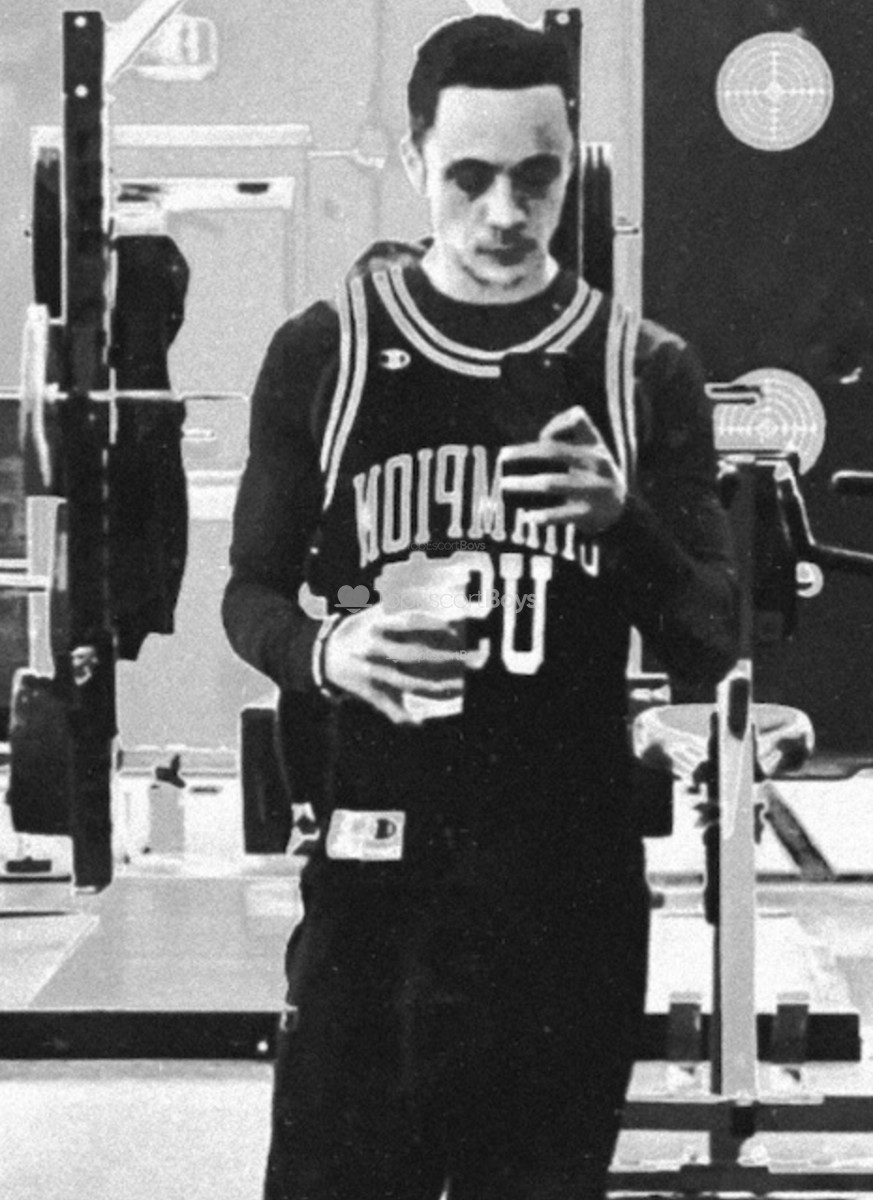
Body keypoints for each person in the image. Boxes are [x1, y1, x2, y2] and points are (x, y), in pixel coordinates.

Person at [223, 14, 739, 1200]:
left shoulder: (642, 372)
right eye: (470, 177)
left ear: (572, 165)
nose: (506, 212)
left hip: (566, 888)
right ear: (415, 161)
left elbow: (709, 635)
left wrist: (623, 522)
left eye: (536, 177)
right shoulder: (329, 354)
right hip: (378, 882)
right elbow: (250, 593)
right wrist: (329, 647)